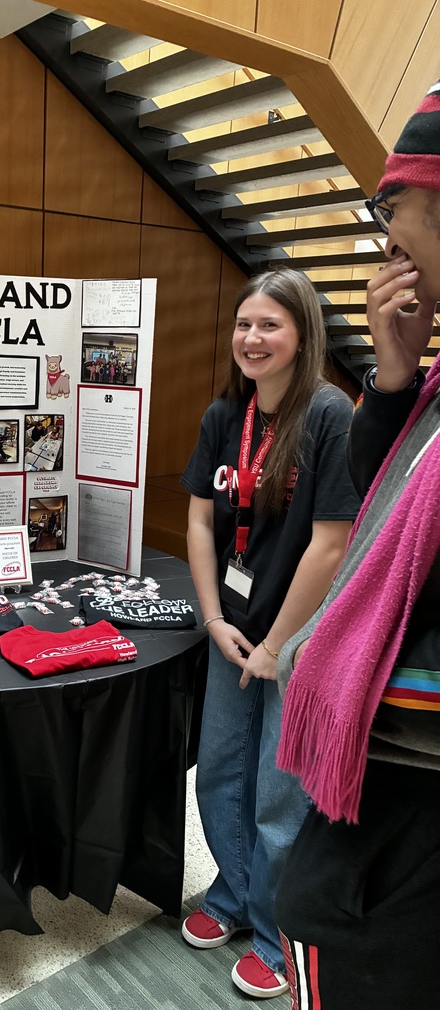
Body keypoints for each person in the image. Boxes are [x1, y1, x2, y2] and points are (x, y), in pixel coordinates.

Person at [274, 80, 440, 1010]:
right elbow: (383, 511)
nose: (385, 237)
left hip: (400, 850)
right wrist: (395, 375)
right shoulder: (419, 388)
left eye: (390, 206)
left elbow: (353, 542)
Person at [180, 267, 360, 998]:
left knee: (279, 792)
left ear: (302, 334)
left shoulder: (328, 416)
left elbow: (331, 543)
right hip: (234, 629)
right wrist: (216, 620)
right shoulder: (227, 416)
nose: (251, 339)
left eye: (269, 325)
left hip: (299, 640)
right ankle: (232, 893)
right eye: (243, 324)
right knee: (221, 769)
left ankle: (278, 934)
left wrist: (280, 645)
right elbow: (199, 521)